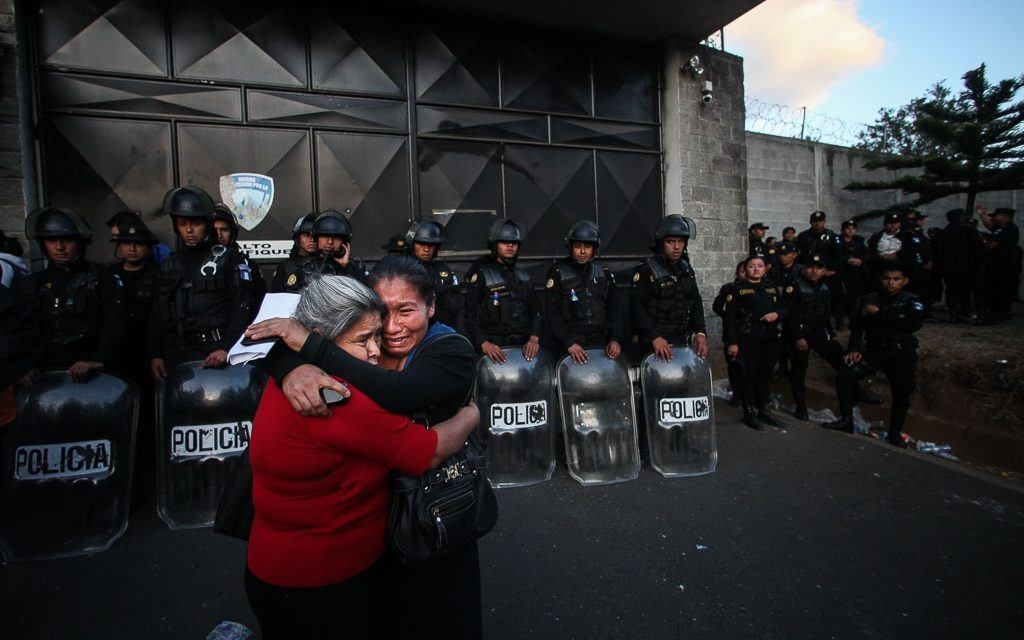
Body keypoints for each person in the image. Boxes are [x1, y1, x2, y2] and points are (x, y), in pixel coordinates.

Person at [245, 256, 485, 640]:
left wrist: (297, 355)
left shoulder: (450, 350)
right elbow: (421, 445)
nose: (387, 334)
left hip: (433, 524)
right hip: (330, 566)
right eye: (369, 333)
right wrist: (290, 363)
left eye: (406, 310)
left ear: (432, 306)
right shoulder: (328, 394)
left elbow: (398, 391)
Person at [148, 187, 258, 378]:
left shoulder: (230, 258)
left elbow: (243, 307)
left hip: (219, 353)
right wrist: (155, 354)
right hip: (178, 356)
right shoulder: (168, 265)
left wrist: (228, 348)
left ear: (207, 224)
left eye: (196, 223)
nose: (189, 230)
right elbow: (157, 314)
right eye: (182, 224)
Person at [19, 207, 125, 384]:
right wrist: (24, 366)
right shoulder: (32, 284)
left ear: (80, 242)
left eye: (66, 240)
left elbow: (116, 325)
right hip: (45, 378)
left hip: (94, 376)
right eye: (52, 240)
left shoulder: (103, 278)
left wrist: (99, 360)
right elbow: (22, 331)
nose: (59, 247)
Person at [824, 263, 924, 447]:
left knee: (902, 393)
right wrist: (853, 349)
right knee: (845, 376)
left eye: (896, 279)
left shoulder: (911, 301)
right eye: (887, 278)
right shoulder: (871, 299)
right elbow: (858, 327)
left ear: (904, 281)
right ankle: (847, 420)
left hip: (901, 352)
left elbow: (912, 324)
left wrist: (880, 314)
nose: (891, 283)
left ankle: (894, 433)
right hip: (875, 350)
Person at [111, 221, 160, 498]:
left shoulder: (159, 275)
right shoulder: (108, 277)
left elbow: (159, 317)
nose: (132, 248)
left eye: (138, 243)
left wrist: (156, 352)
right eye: (127, 243)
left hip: (149, 353)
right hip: (118, 356)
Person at [544, 220, 626, 364]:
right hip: (569, 347)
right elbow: (552, 313)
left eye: (587, 246)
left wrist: (615, 339)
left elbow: (616, 310)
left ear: (594, 249)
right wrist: (568, 343)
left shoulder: (603, 273)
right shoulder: (558, 272)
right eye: (578, 246)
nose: (582, 251)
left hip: (601, 344)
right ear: (571, 247)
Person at [631, 214, 709, 362]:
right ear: (661, 243)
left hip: (681, 340)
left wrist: (700, 332)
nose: (677, 247)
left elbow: (695, 301)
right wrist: (654, 337)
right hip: (654, 343)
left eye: (680, 241)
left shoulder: (686, 269)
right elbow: (637, 307)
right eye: (671, 242)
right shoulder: (646, 270)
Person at [465, 218, 542, 364]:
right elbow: (470, 316)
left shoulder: (524, 277)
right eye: (505, 242)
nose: (510, 246)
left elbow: (536, 312)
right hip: (493, 349)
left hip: (522, 349)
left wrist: (534, 337)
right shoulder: (482, 275)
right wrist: (483, 343)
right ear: (495, 245)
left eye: (514, 243)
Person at [723, 255, 786, 430]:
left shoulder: (771, 287)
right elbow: (729, 319)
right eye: (751, 266)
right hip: (749, 339)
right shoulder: (737, 289)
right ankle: (749, 412)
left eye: (759, 266)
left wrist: (777, 315)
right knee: (747, 375)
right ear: (746, 269)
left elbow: (784, 308)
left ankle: (764, 410)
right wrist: (732, 343)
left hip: (770, 338)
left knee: (765, 375)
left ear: (765, 269)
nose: (756, 269)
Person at [785, 254, 844, 421]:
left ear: (824, 270)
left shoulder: (825, 287)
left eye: (818, 268)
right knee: (798, 369)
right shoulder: (795, 286)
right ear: (804, 268)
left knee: (838, 357)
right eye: (810, 267)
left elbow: (825, 313)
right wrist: (798, 337)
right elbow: (789, 314)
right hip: (799, 334)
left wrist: (829, 332)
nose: (814, 271)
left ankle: (855, 393)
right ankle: (801, 406)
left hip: (817, 331)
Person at [404, 219, 461, 328]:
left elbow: (455, 306)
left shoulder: (442, 270)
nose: (426, 249)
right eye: (421, 244)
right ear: (412, 244)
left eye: (431, 245)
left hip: (440, 329)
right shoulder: (402, 270)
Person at [932, 208, 986, 323]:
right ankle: (979, 316)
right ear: (961, 217)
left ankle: (953, 315)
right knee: (976, 290)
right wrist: (982, 263)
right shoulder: (970, 230)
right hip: (969, 267)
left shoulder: (942, 233)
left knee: (952, 291)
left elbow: (936, 251)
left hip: (950, 269)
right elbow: (978, 248)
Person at [712, 259, 746, 407]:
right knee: (734, 366)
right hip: (733, 333)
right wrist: (729, 316)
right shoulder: (729, 289)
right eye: (743, 271)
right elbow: (717, 306)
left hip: (752, 334)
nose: (747, 273)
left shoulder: (762, 288)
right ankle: (737, 394)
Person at [977, 205, 1019, 321]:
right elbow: (990, 226)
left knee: (1000, 289)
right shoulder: (1000, 227)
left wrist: (982, 242)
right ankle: (997, 311)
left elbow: (992, 245)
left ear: (1005, 217)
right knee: (994, 288)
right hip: (997, 264)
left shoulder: (1009, 229)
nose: (994, 218)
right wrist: (982, 215)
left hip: (1002, 264)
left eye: (997, 216)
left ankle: (1000, 313)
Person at [311, 209, 371, 281]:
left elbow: (365, 289)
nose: (330, 242)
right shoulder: (305, 266)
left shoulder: (351, 269)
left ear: (344, 242)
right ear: (316, 238)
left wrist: (347, 266)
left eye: (336, 237)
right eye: (324, 236)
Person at [270, 212, 318, 293]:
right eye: (306, 235)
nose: (312, 240)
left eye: (315, 236)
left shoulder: (326, 264)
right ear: (297, 238)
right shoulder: (286, 266)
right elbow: (276, 299)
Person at [837, 219, 868, 329]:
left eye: (852, 229)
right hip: (841, 272)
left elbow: (866, 254)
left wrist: (860, 260)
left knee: (853, 298)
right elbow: (836, 255)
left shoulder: (858, 241)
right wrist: (848, 260)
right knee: (839, 298)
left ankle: (852, 320)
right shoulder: (837, 241)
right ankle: (839, 321)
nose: (850, 231)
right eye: (847, 229)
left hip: (855, 273)